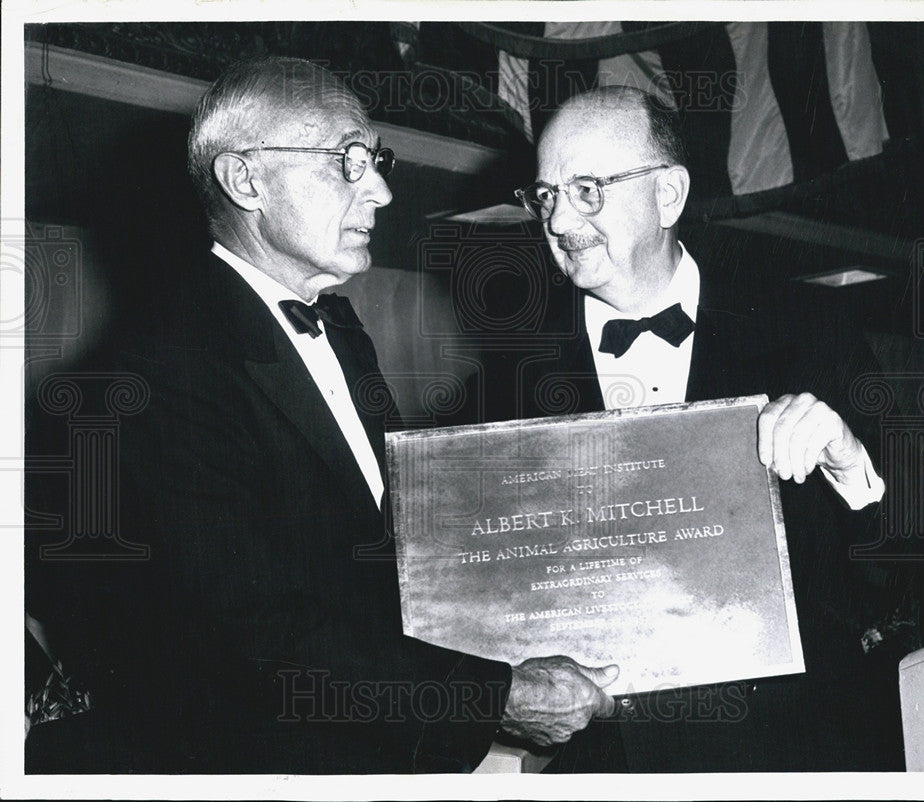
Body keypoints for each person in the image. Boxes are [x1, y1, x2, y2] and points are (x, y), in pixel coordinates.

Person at [23, 56, 618, 773]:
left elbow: (385, 552)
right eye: (349, 161)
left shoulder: (342, 330)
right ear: (246, 180)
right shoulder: (157, 366)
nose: (383, 191)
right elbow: (254, 632)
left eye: (378, 160)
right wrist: (495, 698)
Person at [461, 86, 907, 771]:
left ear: (668, 195)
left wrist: (851, 467)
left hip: (800, 755)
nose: (557, 219)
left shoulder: (811, 331)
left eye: (586, 189)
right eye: (545, 195)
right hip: (608, 767)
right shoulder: (501, 386)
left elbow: (909, 571)